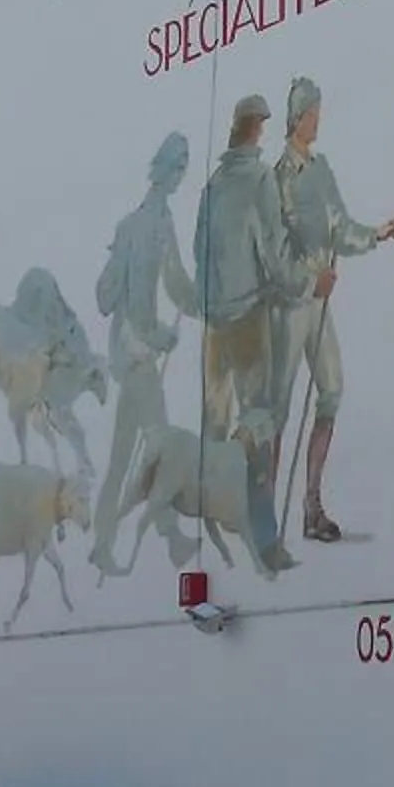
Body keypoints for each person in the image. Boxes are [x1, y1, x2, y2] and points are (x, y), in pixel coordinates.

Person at [272, 75, 394, 544]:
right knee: (279, 407)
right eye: (313, 113)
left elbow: (340, 226)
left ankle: (312, 504)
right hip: (291, 304)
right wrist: (311, 279)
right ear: (298, 117)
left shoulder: (321, 168)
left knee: (331, 390)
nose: (318, 120)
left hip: (320, 302)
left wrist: (374, 234)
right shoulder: (278, 178)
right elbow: (273, 251)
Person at [194, 92, 306, 574]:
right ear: (256, 130)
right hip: (247, 321)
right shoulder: (260, 179)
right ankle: (266, 543)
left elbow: (200, 257)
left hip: (213, 326)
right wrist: (306, 281)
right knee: (260, 425)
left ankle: (215, 530)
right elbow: (275, 253)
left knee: (214, 427)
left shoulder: (212, 188)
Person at [88, 131, 198, 579]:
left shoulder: (160, 221)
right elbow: (133, 296)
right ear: (165, 168)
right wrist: (157, 336)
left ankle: (104, 542)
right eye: (179, 166)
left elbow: (176, 284)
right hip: (135, 355)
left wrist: (204, 304)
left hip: (138, 358)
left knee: (127, 455)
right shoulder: (143, 225)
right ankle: (169, 538)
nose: (181, 174)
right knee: (159, 447)